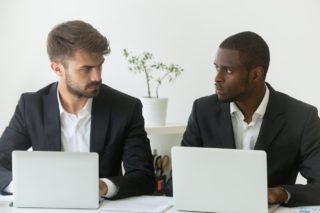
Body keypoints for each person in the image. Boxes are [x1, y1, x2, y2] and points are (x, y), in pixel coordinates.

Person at [0, 20, 155, 199]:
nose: (97, 76)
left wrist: (104, 186)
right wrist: (24, 185)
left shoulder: (126, 108)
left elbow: (144, 177)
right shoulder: (32, 107)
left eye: (100, 65)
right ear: (58, 68)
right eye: (86, 69)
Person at [182, 31, 320, 207]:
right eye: (217, 68)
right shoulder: (202, 110)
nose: (217, 78)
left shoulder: (301, 117)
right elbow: (179, 180)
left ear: (256, 74)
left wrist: (279, 193)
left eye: (228, 70)